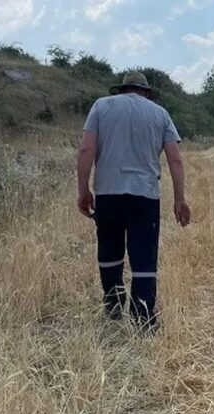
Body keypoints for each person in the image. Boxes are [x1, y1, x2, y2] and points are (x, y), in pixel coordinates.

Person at [76, 71, 191, 332]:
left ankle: (113, 304)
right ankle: (143, 317)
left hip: (108, 193)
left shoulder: (101, 106)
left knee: (109, 251)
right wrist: (179, 199)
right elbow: (175, 159)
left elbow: (86, 149)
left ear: (121, 89)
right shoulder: (160, 114)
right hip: (145, 195)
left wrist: (83, 190)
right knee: (144, 256)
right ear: (146, 92)